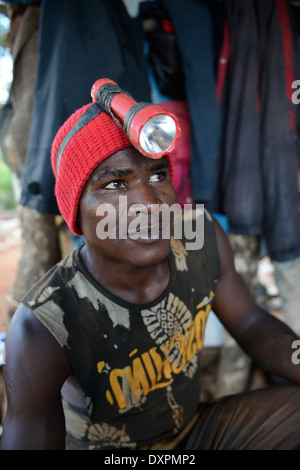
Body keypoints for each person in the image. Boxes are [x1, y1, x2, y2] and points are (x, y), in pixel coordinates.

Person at [1, 84, 300, 451]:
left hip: (197, 431)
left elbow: (252, 323)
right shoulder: (46, 323)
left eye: (158, 176)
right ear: (75, 211)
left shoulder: (200, 237)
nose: (149, 203)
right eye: (115, 184)